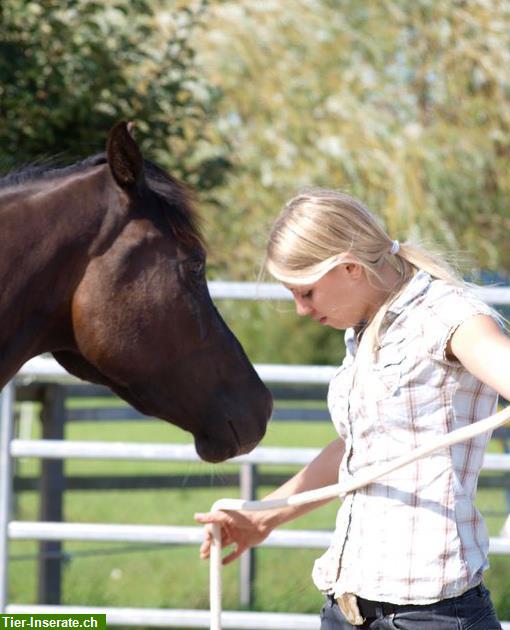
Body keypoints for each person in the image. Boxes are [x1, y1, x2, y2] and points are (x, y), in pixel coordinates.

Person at [195, 188, 509, 629]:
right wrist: (264, 515)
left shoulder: (449, 318)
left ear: (349, 267)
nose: (302, 310)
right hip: (349, 609)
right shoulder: (367, 327)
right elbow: (360, 448)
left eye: (307, 292)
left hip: (432, 616)